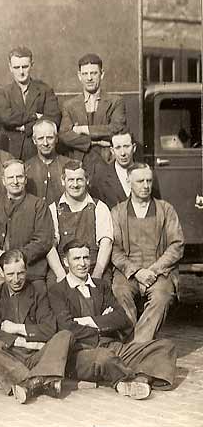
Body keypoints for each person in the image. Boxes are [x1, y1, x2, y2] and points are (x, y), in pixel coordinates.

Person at [49, 240, 177, 400]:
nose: (83, 263)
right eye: (77, 259)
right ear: (66, 262)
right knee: (105, 358)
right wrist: (103, 321)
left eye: (86, 258)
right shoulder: (57, 291)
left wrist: (87, 321)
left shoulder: (100, 286)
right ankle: (131, 379)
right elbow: (66, 327)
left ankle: (138, 378)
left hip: (111, 346)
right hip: (81, 352)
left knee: (165, 346)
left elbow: (121, 318)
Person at [0, 249, 72, 404]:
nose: (16, 279)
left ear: (26, 271)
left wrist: (16, 328)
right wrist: (27, 342)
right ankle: (42, 380)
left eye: (20, 273)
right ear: (1, 273)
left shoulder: (38, 291)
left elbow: (49, 329)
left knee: (65, 336)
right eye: (10, 274)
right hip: (11, 356)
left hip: (38, 356)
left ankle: (28, 383)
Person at [110, 163, 184, 342]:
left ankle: (137, 345)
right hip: (129, 272)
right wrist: (137, 272)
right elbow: (114, 249)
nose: (145, 186)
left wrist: (154, 270)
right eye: (140, 181)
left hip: (159, 270)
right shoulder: (118, 212)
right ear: (129, 182)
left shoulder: (165, 209)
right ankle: (129, 341)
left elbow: (176, 244)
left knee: (162, 296)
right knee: (119, 292)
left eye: (149, 181)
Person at [0, 159, 54, 293]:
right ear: (4, 181)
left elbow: (43, 241)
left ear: (26, 179)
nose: (15, 181)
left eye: (19, 177)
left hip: (30, 270)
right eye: (10, 177)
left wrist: (14, 259)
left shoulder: (38, 205)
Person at [59, 53, 127, 178]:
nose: (89, 78)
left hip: (108, 161)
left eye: (94, 73)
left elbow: (117, 129)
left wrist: (83, 129)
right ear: (79, 76)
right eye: (85, 74)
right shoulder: (69, 105)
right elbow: (64, 135)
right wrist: (95, 142)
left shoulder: (116, 101)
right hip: (79, 164)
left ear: (102, 74)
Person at [46, 161, 113, 286]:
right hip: (63, 269)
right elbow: (50, 246)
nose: (75, 185)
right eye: (71, 180)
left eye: (79, 180)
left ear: (87, 180)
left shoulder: (100, 207)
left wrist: (96, 275)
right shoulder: (53, 209)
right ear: (63, 181)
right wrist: (61, 276)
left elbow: (106, 244)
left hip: (92, 267)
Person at [0, 47, 61, 160]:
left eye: (25, 66)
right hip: (9, 151)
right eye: (16, 67)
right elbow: (5, 117)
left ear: (32, 65)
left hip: (37, 152)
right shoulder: (2, 93)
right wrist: (34, 116)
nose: (21, 71)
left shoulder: (45, 90)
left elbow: (53, 118)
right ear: (10, 67)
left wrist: (25, 127)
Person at [91, 130, 161, 209]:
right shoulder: (101, 177)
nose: (123, 153)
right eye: (118, 148)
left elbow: (156, 207)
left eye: (126, 146)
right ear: (112, 151)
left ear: (134, 148)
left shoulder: (147, 173)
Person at [24, 119, 72, 207]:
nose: (45, 143)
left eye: (50, 138)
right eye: (40, 138)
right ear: (34, 140)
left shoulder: (69, 165)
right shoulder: (26, 168)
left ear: (56, 139)